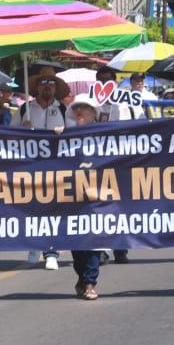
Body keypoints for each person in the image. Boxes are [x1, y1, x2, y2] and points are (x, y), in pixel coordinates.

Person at [21, 70, 69, 269]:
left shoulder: (64, 110)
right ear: (37, 87)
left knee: (53, 208)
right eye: (43, 82)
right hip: (30, 166)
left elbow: (76, 132)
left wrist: (64, 132)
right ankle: (34, 246)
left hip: (56, 167)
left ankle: (51, 250)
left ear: (55, 88)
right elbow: (9, 136)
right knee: (32, 208)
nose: (47, 86)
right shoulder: (26, 109)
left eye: (51, 82)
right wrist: (23, 128)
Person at [65, 95, 104, 300]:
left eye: (85, 107)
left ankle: (90, 282)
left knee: (93, 239)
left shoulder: (105, 134)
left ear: (93, 113)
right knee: (77, 244)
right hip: (71, 197)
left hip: (96, 196)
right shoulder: (65, 134)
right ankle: (82, 275)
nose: (80, 110)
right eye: (77, 107)